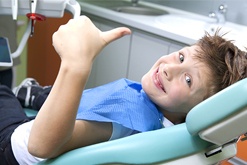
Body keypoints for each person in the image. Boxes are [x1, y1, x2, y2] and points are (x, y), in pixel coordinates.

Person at [0, 16, 246, 165]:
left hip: (12, 146)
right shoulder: (164, 121)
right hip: (30, 129)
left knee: (3, 89)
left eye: (189, 80)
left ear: (198, 108)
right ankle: (38, 94)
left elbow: (41, 146)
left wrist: (76, 65)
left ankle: (34, 94)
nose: (170, 68)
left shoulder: (126, 121)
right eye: (181, 56)